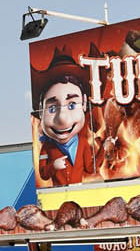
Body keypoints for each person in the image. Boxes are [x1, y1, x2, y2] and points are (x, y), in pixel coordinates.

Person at [34, 56, 96, 187]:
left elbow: (90, 168)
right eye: (51, 108)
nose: (62, 118)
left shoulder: (83, 142)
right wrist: (53, 166)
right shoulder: (47, 147)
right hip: (57, 192)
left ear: (84, 103)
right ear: (41, 110)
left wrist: (105, 150)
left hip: (79, 190)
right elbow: (43, 174)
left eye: (72, 105)